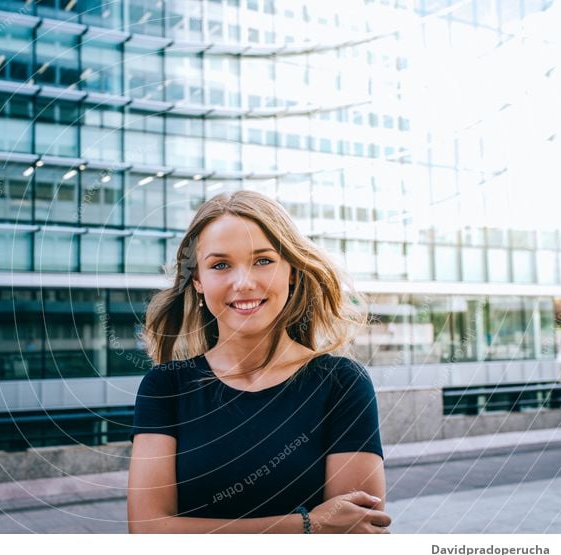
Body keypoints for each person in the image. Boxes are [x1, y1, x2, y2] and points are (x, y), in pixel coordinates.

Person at [127, 191, 390, 534]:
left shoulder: (341, 383)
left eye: (263, 260)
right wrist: (308, 525)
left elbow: (356, 532)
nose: (244, 283)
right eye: (220, 265)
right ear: (198, 281)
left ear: (292, 271)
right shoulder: (165, 387)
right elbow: (148, 531)